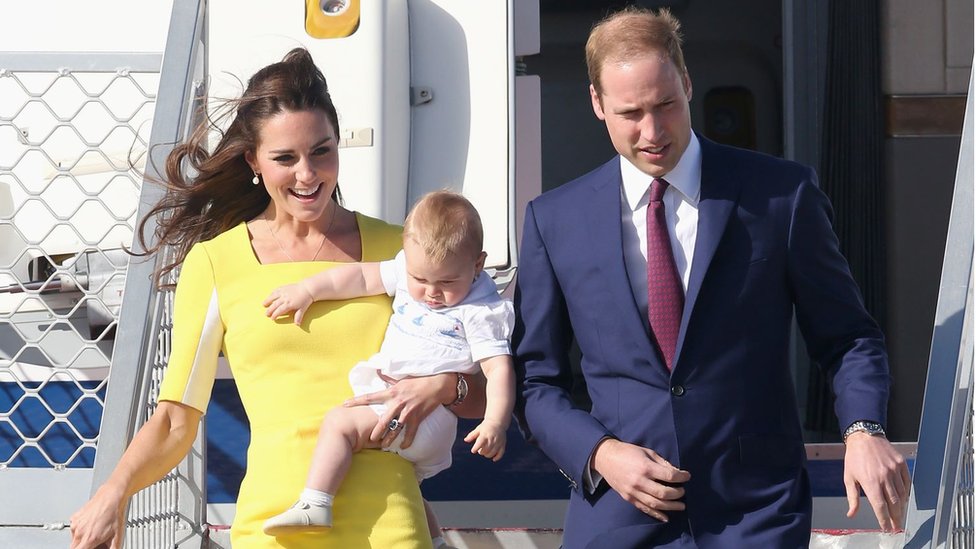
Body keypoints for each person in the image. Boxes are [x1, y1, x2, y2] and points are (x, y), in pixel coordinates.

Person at [512, 7, 911, 549]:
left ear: (688, 83)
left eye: (666, 105)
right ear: (597, 104)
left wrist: (864, 430)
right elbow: (537, 384)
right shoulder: (554, 220)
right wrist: (601, 454)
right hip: (617, 517)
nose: (652, 132)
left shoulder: (782, 196)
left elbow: (848, 338)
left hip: (755, 515)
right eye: (631, 113)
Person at [69, 48, 486, 549]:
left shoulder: (401, 250)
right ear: (253, 162)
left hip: (390, 523)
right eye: (285, 159)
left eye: (322, 151)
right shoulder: (216, 263)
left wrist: (443, 387)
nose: (308, 175)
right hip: (273, 526)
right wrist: (114, 493)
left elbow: (485, 390)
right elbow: (177, 418)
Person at [259, 191, 514, 543]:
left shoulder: (480, 311)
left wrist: (495, 423)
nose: (430, 293)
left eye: (446, 283)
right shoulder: (410, 271)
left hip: (430, 416)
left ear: (478, 264)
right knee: (406, 479)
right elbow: (359, 278)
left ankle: (315, 502)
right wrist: (309, 290)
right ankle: (436, 539)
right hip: (401, 400)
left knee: (339, 424)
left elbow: (499, 370)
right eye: (420, 279)